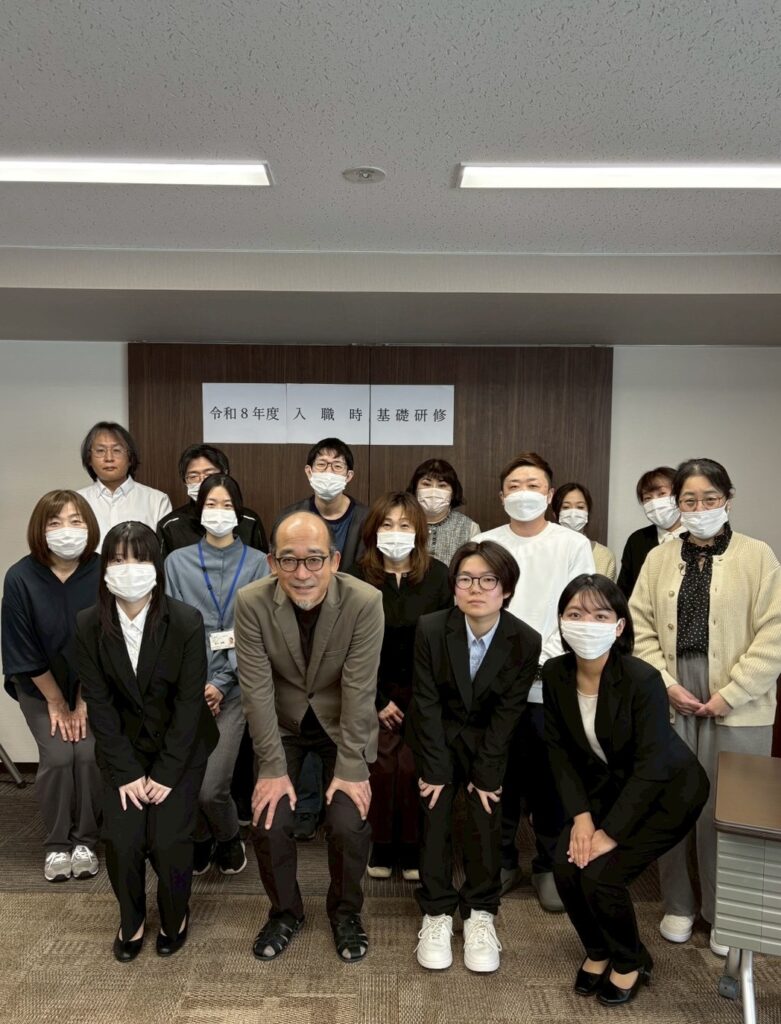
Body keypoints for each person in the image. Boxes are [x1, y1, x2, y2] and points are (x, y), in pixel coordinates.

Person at [630, 458, 781, 957]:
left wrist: (731, 693)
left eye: (709, 499)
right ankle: (677, 902)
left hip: (739, 698)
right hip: (673, 694)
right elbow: (639, 628)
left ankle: (725, 913)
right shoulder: (659, 559)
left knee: (728, 810)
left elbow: (775, 633)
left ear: (728, 499)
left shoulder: (757, 556)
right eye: (689, 501)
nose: (699, 508)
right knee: (671, 800)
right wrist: (666, 685)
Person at [543, 574, 708, 1006]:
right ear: (561, 621)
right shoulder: (555, 674)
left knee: (601, 876)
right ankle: (599, 950)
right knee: (565, 866)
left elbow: (652, 766)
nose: (586, 624)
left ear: (619, 627)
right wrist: (582, 821)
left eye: (600, 616)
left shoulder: (642, 678)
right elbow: (560, 754)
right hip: (610, 788)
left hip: (668, 792)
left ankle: (630, 960)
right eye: (575, 614)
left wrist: (609, 834)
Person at [235, 511, 384, 963]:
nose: (302, 573)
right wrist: (272, 768)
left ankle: (345, 912)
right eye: (289, 560)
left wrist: (352, 768)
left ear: (334, 561)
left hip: (342, 726)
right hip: (282, 725)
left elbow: (360, 690)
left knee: (348, 822)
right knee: (269, 820)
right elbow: (256, 690)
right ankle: (285, 912)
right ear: (271, 562)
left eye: (314, 559)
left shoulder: (364, 601)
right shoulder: (251, 602)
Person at [76, 522, 218, 962]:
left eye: (139, 558)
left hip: (181, 748)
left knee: (168, 840)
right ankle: (132, 918)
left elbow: (189, 705)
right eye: (118, 559)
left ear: (156, 566)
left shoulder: (185, 621)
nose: (129, 568)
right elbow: (99, 705)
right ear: (104, 568)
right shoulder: (88, 624)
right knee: (123, 840)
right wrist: (127, 772)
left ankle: (175, 917)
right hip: (123, 752)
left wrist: (165, 774)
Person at [406, 540, 540, 973]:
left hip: (490, 739)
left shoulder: (524, 640)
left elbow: (508, 713)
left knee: (487, 809)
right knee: (435, 806)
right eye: (465, 579)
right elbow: (425, 702)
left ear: (506, 588)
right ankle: (437, 911)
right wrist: (436, 769)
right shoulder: (431, 628)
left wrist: (486, 774)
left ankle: (481, 910)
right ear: (454, 586)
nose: (476, 588)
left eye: (488, 580)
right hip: (437, 734)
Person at [474, 452, 595, 911]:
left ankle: (548, 865)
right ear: (501, 495)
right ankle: (503, 861)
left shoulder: (572, 544)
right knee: (498, 773)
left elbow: (580, 609)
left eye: (533, 485)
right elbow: (475, 606)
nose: (523, 493)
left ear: (549, 494)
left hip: (553, 678)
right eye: (515, 486)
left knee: (551, 778)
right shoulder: (484, 542)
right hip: (494, 679)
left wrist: (539, 658)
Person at [164, 474, 269, 876]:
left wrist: (220, 683)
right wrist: (195, 686)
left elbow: (257, 633)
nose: (219, 512)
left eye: (227, 505)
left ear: (239, 512)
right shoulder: (176, 562)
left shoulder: (259, 563)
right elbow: (171, 631)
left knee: (211, 789)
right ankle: (200, 838)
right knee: (182, 781)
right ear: (199, 510)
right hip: (186, 688)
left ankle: (227, 836)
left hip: (236, 687)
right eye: (211, 504)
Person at [348, 491, 451, 880]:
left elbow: (445, 643)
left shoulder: (438, 576)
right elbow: (348, 646)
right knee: (380, 765)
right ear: (373, 531)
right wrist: (377, 700)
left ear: (419, 531)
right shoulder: (356, 576)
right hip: (370, 689)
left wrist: (421, 700)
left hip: (424, 691)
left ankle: (411, 846)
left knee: (410, 766)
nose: (395, 532)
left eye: (404, 525)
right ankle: (381, 843)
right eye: (387, 524)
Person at [1, 490, 102, 883]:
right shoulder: (20, 577)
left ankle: (86, 840)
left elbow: (108, 639)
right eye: (55, 522)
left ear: (89, 527)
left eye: (76, 521)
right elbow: (21, 648)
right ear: (39, 530)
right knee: (60, 756)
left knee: (88, 755)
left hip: (94, 684)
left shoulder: (102, 571)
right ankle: (58, 843)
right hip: (39, 686)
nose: (66, 530)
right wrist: (58, 701)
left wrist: (83, 699)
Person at [273, 437, 369, 840]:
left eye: (337, 465)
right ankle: (307, 806)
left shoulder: (365, 518)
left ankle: (335, 806)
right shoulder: (291, 516)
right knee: (302, 712)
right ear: (308, 472)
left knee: (334, 715)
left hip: (347, 627)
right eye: (322, 464)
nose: (329, 472)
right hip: (298, 625)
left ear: (349, 475)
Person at [158, 443, 268, 556]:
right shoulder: (170, 525)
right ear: (184, 481)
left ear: (225, 474)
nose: (202, 482)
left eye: (210, 474)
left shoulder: (249, 521)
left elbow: (262, 563)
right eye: (193, 476)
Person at [77, 421, 171, 548]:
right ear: (89, 459)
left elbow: (162, 551)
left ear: (130, 458)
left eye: (117, 450)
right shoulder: (76, 501)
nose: (109, 458)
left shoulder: (157, 500)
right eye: (100, 451)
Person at [616, 466, 683, 598]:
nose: (654, 502)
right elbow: (624, 591)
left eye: (662, 494)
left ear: (680, 494)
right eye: (647, 498)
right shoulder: (637, 540)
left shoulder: (698, 537)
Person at [406, 458, 481, 566]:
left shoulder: (470, 528)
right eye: (426, 484)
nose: (433, 491)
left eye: (442, 485)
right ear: (415, 489)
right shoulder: (398, 521)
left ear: (453, 492)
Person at [551, 482, 616, 580]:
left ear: (588, 513)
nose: (573, 513)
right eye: (566, 507)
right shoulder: (545, 550)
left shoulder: (604, 556)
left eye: (580, 507)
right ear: (555, 514)